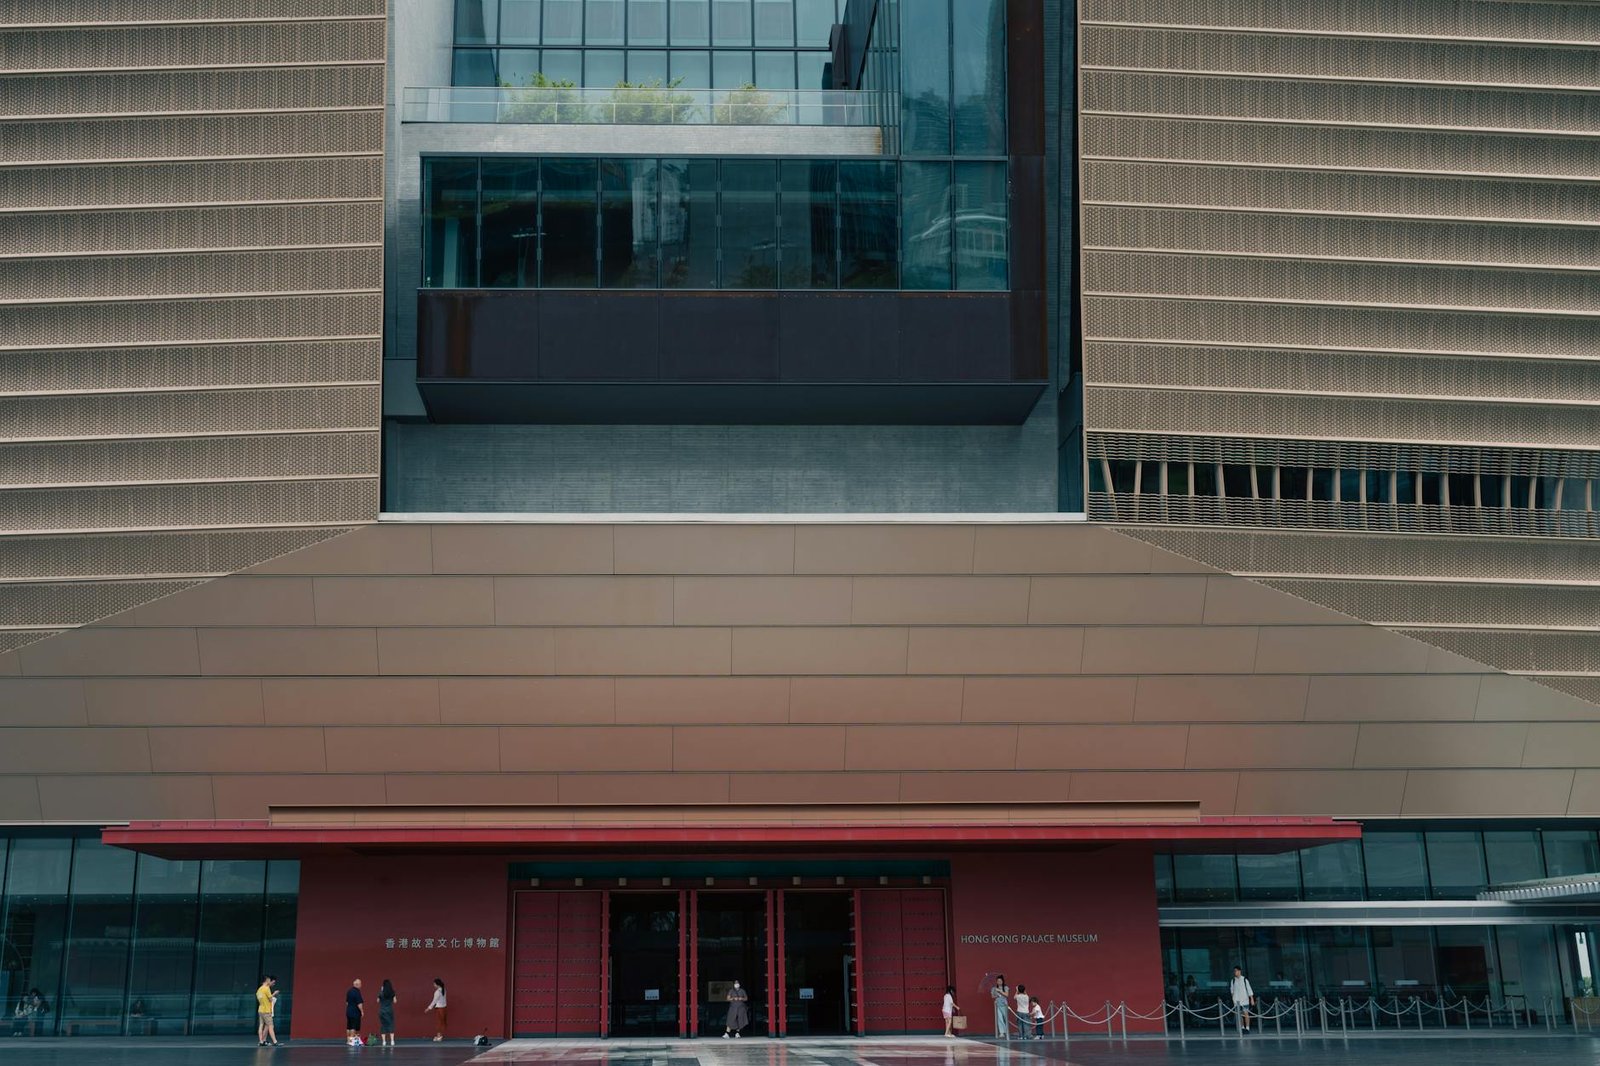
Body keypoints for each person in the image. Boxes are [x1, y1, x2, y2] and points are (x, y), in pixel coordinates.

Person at [1230, 966, 1255, 1034]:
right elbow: (1232, 991)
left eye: (1236, 971)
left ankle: (1247, 1027)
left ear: (1240, 971)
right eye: (1234, 971)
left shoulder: (1244, 980)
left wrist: (1251, 999)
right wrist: (1233, 999)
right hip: (1237, 1001)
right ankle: (1242, 1027)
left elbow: (1249, 989)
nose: (1235, 972)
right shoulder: (1233, 980)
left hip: (1245, 1000)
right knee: (1239, 1015)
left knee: (1246, 1014)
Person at [256, 974, 280, 1046]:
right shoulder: (266, 988)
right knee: (271, 1026)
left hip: (261, 1010)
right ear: (266, 980)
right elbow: (270, 999)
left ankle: (261, 1041)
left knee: (261, 1025)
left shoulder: (259, 989)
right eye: (269, 980)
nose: (270, 981)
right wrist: (274, 993)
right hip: (266, 1010)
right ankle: (275, 1041)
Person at [377, 980, 397, 1047]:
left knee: (383, 1025)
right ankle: (392, 1041)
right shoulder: (392, 992)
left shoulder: (381, 993)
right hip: (389, 1010)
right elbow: (395, 1001)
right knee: (391, 1024)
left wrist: (381, 992)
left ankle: (384, 1042)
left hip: (382, 1011)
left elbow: (377, 1001)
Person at [345, 979, 364, 1048]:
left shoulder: (349, 991)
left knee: (349, 1026)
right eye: (360, 984)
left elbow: (347, 1002)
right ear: (357, 984)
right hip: (355, 1012)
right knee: (354, 1027)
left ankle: (348, 1040)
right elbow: (359, 1003)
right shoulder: (357, 992)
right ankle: (352, 1041)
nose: (361, 985)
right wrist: (362, 1011)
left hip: (348, 1011)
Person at [990, 975, 1009, 1039]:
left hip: (1004, 1004)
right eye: (998, 981)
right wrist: (996, 995)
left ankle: (1006, 1031)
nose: (999, 982)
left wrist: (1000, 991)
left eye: (1000, 981)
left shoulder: (1005, 987)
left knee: (1005, 1018)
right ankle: (1002, 1032)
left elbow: (1006, 995)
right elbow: (992, 996)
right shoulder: (994, 988)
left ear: (1002, 981)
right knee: (999, 1018)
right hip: (998, 1004)